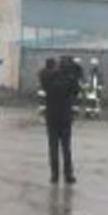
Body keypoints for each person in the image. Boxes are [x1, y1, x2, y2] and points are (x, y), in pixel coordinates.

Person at [44, 56, 81, 184]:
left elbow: (42, 74)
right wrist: (74, 73)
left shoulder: (49, 78)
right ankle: (68, 175)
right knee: (66, 148)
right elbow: (76, 91)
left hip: (51, 117)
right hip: (65, 118)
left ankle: (54, 176)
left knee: (53, 147)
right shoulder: (69, 80)